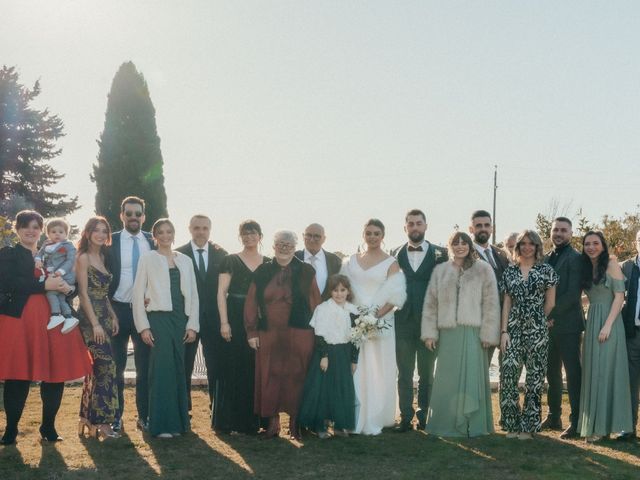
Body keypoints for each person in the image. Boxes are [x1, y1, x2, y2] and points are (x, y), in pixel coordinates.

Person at [0, 210, 91, 445]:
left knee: (54, 374)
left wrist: (65, 288)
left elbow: (71, 284)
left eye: (35, 226)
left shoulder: (55, 252)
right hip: (21, 322)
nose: (30, 230)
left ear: (42, 230)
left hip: (55, 320)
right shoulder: (8, 254)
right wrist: (44, 285)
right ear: (18, 229)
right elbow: (9, 281)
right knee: (17, 375)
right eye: (25, 226)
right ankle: (11, 429)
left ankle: (48, 427)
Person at [244, 230, 321, 440]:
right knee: (270, 375)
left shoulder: (306, 271)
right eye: (280, 243)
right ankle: (272, 424)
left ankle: (295, 424)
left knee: (297, 376)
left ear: (295, 246)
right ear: (273, 246)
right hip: (269, 331)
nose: (284, 247)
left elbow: (316, 303)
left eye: (289, 243)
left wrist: (321, 333)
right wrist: (251, 331)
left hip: (300, 332)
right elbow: (251, 303)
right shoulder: (261, 271)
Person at [422, 232, 500, 437]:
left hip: (474, 332)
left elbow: (492, 303)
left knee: (472, 374)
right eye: (455, 243)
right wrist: (430, 333)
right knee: (447, 377)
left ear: (469, 246)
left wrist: (488, 333)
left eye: (463, 243)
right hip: (448, 333)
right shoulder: (441, 270)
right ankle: (444, 424)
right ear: (450, 246)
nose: (460, 246)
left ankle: (473, 425)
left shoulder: (484, 269)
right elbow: (431, 303)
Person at [132, 219, 199, 438]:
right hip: (158, 320)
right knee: (161, 370)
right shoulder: (148, 259)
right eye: (160, 232)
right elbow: (137, 294)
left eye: (169, 231)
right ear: (155, 236)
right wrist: (143, 327)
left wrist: (192, 325)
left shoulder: (186, 260)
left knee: (179, 369)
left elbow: (193, 295)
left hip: (181, 319)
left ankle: (179, 424)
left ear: (174, 234)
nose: (165, 235)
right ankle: (160, 425)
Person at [342, 219, 406, 435]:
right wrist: (357, 314)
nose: (372, 237)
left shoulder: (391, 262)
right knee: (356, 365)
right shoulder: (351, 260)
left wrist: (373, 317)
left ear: (383, 235)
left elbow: (395, 295)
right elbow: (343, 288)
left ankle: (379, 414)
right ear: (363, 234)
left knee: (380, 366)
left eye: (376, 233)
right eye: (368, 233)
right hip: (354, 319)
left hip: (381, 321)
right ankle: (354, 414)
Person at [499, 230, 557, 440]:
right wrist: (504, 331)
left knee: (534, 379)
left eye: (531, 244)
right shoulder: (510, 272)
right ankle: (512, 424)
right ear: (518, 247)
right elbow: (506, 303)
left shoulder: (546, 270)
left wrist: (536, 320)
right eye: (523, 244)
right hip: (512, 330)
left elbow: (551, 303)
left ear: (537, 246)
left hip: (537, 331)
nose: (526, 247)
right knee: (509, 375)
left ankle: (528, 427)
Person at [392, 209, 446, 432]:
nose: (415, 227)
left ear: (426, 226)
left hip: (429, 324)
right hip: (402, 322)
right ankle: (405, 416)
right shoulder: (394, 254)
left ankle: (425, 416)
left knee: (426, 373)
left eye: (418, 223)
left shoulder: (441, 254)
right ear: (405, 228)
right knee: (404, 372)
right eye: (410, 224)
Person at [578, 231, 632, 442]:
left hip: (609, 323)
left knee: (606, 372)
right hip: (593, 321)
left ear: (603, 245)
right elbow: (592, 297)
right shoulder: (587, 267)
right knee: (593, 370)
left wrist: (607, 326)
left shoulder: (611, 264)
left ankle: (603, 428)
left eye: (595, 243)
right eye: (587, 244)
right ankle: (594, 425)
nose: (591, 247)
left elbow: (619, 297)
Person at [107, 196, 155, 432]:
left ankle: (144, 416)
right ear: (122, 215)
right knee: (116, 368)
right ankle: (116, 417)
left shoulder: (153, 241)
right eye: (129, 213)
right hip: (117, 311)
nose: (133, 217)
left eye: (138, 213)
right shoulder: (111, 241)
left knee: (145, 368)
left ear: (144, 217)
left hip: (145, 314)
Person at [215, 220, 268, 434]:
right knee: (235, 368)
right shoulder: (230, 260)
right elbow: (221, 293)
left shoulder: (269, 263)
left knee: (256, 369)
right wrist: (224, 322)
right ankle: (233, 422)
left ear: (260, 236)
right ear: (240, 237)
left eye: (253, 233)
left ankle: (257, 422)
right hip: (235, 316)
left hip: (260, 319)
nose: (249, 237)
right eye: (245, 234)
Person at [176, 214, 227, 414]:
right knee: (185, 365)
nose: (200, 231)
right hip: (188, 319)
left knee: (215, 364)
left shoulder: (221, 255)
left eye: (205, 228)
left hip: (214, 320)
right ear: (190, 229)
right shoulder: (178, 254)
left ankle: (217, 408)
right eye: (196, 227)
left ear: (210, 230)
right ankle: (184, 408)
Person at [299, 274, 359, 438]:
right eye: (335, 290)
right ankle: (320, 426)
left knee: (342, 389)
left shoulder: (353, 310)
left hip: (344, 352)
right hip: (326, 352)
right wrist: (324, 356)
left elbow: (356, 337)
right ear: (330, 292)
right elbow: (319, 335)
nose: (339, 294)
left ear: (348, 291)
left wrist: (354, 359)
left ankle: (340, 426)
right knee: (323, 389)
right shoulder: (323, 308)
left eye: (342, 290)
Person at [76, 216, 120, 440]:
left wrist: (112, 316)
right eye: (97, 230)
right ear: (87, 232)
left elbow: (103, 293)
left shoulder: (103, 256)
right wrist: (94, 324)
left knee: (97, 370)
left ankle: (87, 418)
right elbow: (83, 294)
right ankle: (101, 422)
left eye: (105, 231)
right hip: (89, 318)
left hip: (103, 314)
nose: (101, 234)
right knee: (106, 367)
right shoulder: (83, 257)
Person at [541, 217, 584, 439]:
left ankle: (576, 422)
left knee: (573, 374)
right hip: (548, 326)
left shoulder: (576, 258)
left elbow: (572, 293)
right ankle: (554, 415)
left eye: (563, 230)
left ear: (571, 233)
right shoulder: (546, 256)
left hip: (568, 325)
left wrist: (551, 315)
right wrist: (544, 317)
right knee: (552, 373)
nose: (558, 233)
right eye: (555, 229)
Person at [469, 210, 509, 365]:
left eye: (487, 225)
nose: (483, 228)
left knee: (507, 368)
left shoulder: (501, 253)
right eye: (478, 225)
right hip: (481, 324)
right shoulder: (466, 255)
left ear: (492, 228)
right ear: (471, 229)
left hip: (504, 322)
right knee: (479, 367)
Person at [35, 218, 79, 334]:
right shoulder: (46, 245)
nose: (57, 234)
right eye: (53, 232)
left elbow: (70, 260)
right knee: (60, 297)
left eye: (61, 232)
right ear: (48, 234)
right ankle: (69, 317)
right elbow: (39, 254)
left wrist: (61, 271)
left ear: (66, 234)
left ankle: (56, 315)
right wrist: (38, 260)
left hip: (65, 275)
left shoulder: (68, 246)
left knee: (51, 293)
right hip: (53, 274)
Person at [620, 229, 640, 441]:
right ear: (635, 243)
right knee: (631, 384)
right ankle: (629, 428)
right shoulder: (626, 267)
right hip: (633, 334)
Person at [295, 223, 342, 296]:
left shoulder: (335, 261)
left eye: (317, 236)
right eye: (308, 235)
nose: (312, 240)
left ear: (324, 239)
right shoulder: (293, 258)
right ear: (303, 236)